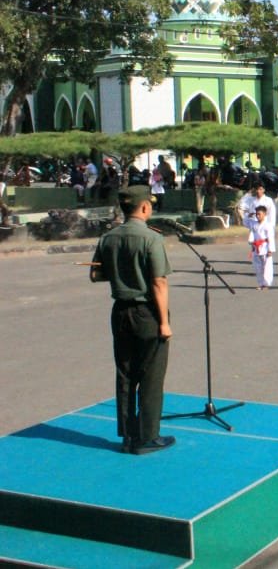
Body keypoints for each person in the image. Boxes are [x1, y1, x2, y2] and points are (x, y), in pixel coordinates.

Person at [89, 186, 175, 455]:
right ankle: (147, 437)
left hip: (120, 311)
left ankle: (128, 435)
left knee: (125, 374)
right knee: (151, 375)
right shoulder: (151, 239)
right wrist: (164, 322)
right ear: (145, 207)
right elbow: (159, 281)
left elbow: (95, 275)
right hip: (147, 312)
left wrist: (121, 272)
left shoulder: (108, 238)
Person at [247, 204, 276, 290]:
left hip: (265, 248)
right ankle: (260, 283)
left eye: (259, 214)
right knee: (258, 267)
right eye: (257, 214)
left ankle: (266, 284)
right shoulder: (254, 224)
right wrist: (252, 243)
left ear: (264, 214)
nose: (258, 216)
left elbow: (271, 238)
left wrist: (271, 250)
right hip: (257, 247)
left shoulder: (268, 225)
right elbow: (252, 234)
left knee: (267, 267)